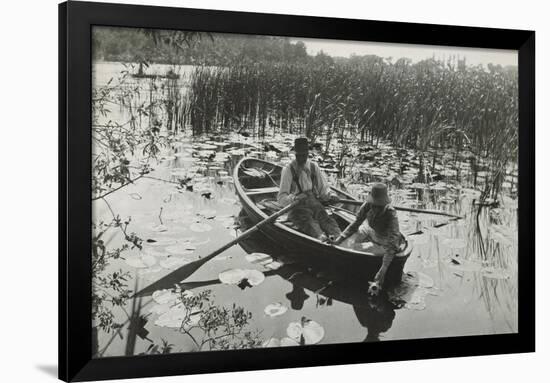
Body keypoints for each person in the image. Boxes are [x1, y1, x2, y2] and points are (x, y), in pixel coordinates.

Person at [333, 183, 406, 295]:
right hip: (369, 230)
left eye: (379, 206)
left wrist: (383, 269)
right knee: (348, 244)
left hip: (384, 240)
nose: (375, 208)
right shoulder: (367, 205)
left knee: (358, 249)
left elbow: (392, 244)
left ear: (385, 204)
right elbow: (356, 223)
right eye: (374, 205)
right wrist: (340, 238)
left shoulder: (391, 214)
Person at [277, 137, 342, 241]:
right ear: (295, 154)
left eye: (304, 154)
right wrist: (294, 198)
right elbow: (281, 199)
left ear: (308, 153)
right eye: (299, 155)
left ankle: (339, 238)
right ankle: (323, 240)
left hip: (314, 204)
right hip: (297, 208)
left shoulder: (313, 167)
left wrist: (330, 196)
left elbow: (323, 190)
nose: (301, 158)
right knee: (310, 225)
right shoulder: (288, 170)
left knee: (327, 221)